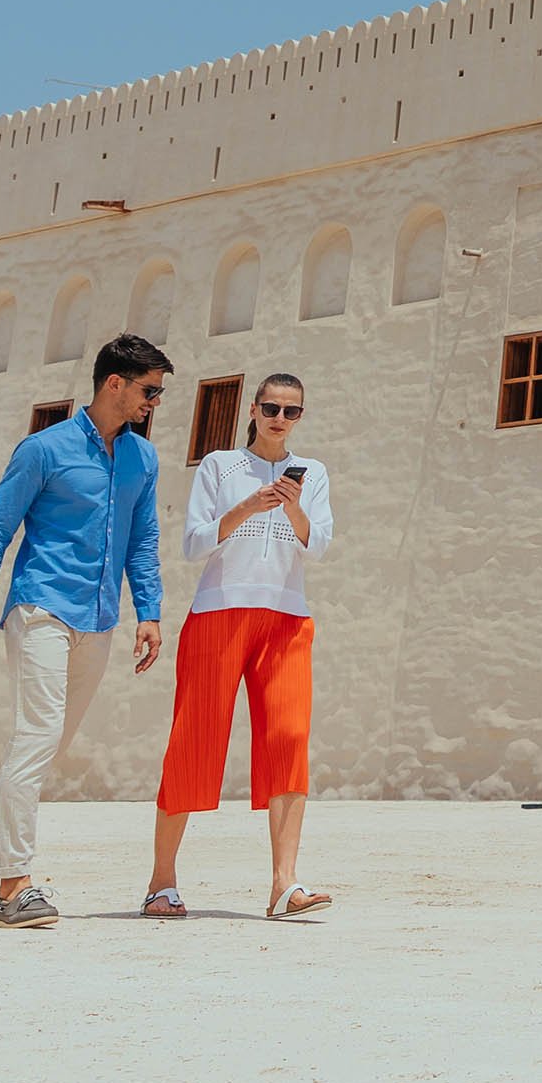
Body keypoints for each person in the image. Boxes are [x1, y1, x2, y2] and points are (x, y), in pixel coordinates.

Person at [0, 332, 170, 930]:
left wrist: (150, 611)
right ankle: (15, 885)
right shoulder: (44, 449)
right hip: (40, 607)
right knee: (36, 738)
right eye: (148, 391)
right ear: (113, 383)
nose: (154, 403)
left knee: (42, 750)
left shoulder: (144, 459)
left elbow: (143, 540)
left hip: (100, 620)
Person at [144, 372, 334, 920]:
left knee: (289, 739)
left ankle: (284, 885)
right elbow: (193, 543)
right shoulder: (219, 466)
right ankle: (162, 883)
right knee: (194, 741)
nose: (280, 418)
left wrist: (292, 506)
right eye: (271, 407)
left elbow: (317, 545)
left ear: (301, 416)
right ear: (252, 410)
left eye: (292, 411)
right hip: (218, 615)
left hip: (287, 618)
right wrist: (249, 508)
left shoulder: (313, 473)